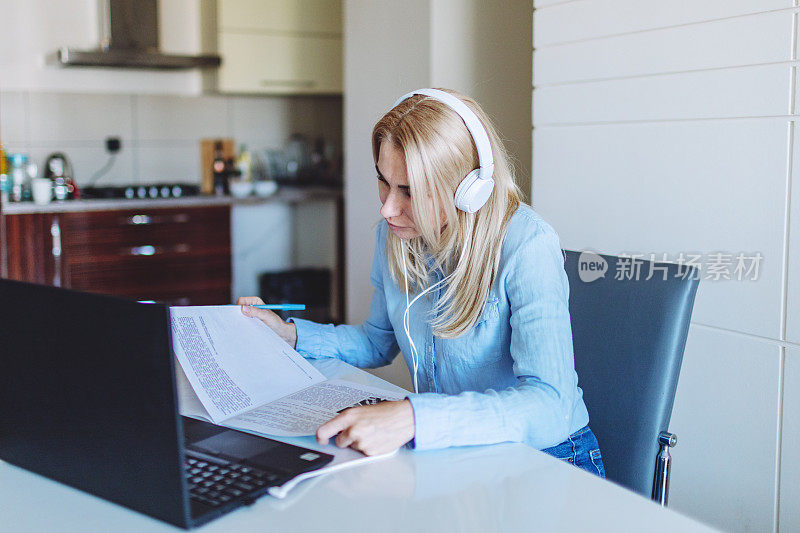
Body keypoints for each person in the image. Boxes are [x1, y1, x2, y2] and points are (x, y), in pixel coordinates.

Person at [238, 88, 604, 477]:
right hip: (456, 453)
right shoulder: (395, 235)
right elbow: (375, 343)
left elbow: (550, 404)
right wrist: (289, 336)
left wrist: (413, 418)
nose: (387, 208)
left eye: (409, 192)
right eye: (384, 181)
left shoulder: (528, 245)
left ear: (469, 190)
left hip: (550, 460)